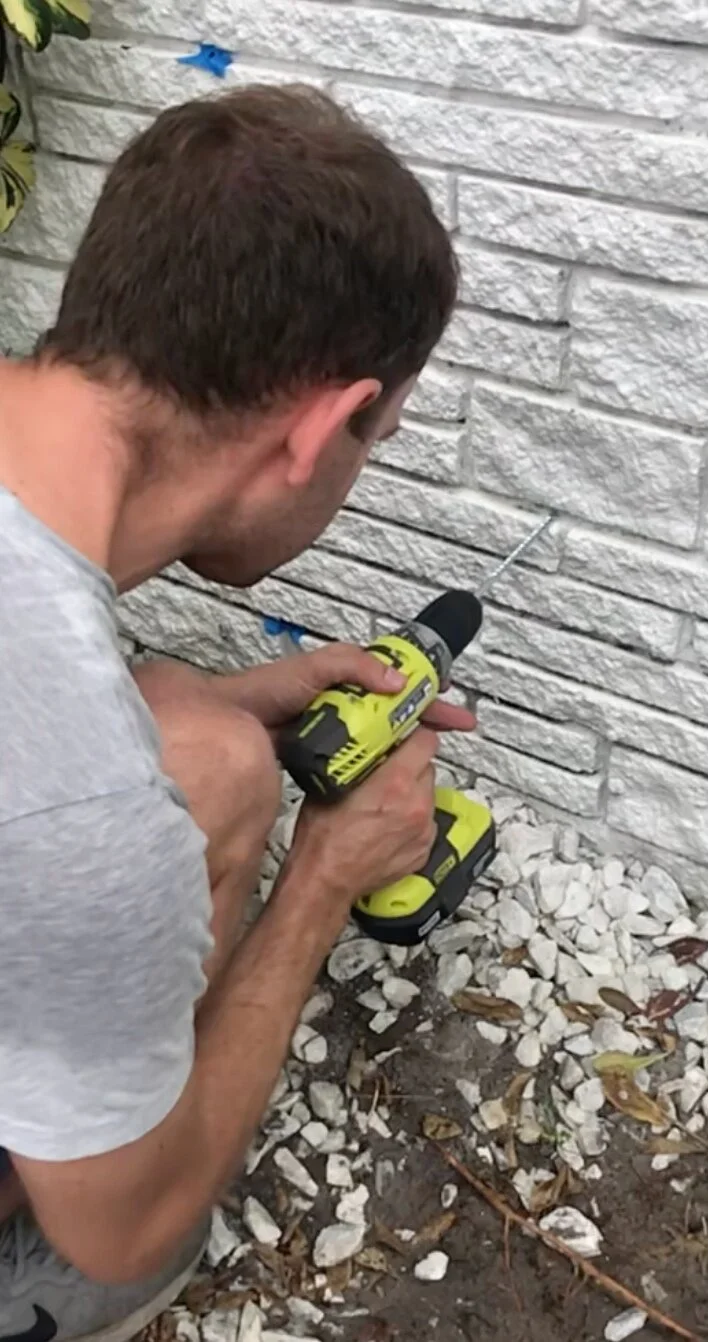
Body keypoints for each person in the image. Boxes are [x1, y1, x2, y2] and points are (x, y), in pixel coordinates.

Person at [0, 83, 473, 1341]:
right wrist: (325, 876)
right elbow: (126, 1225)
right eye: (376, 439)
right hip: (110, 1216)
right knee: (122, 1223)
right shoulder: (81, 809)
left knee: (200, 738)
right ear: (320, 426)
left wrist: (207, 701)